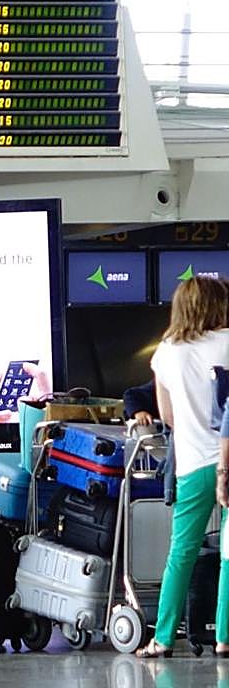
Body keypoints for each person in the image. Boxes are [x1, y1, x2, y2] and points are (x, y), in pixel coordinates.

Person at [138, 276, 229, 658]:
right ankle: (224, 637)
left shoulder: (165, 352)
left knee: (181, 552)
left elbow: (167, 415)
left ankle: (161, 638)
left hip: (191, 464)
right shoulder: (228, 341)